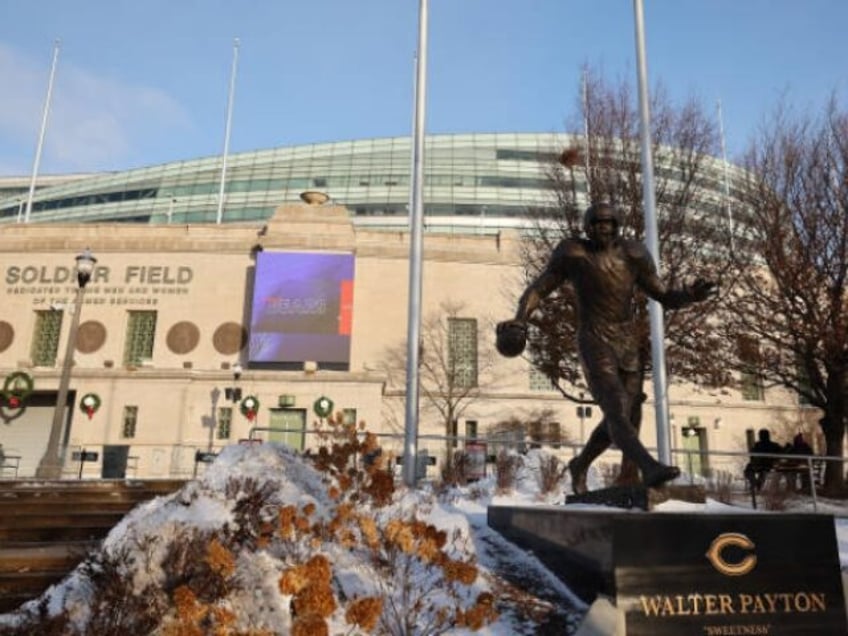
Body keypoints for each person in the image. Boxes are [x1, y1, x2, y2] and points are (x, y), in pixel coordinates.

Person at [496, 202, 716, 493]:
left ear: (617, 226)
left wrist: (689, 296)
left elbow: (663, 295)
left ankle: (581, 464)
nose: (604, 228)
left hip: (627, 342)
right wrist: (521, 318)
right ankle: (648, 467)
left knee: (625, 410)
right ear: (588, 227)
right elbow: (540, 288)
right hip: (594, 338)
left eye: (609, 223)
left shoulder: (634, 254)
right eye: (598, 223)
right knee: (614, 405)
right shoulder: (573, 253)